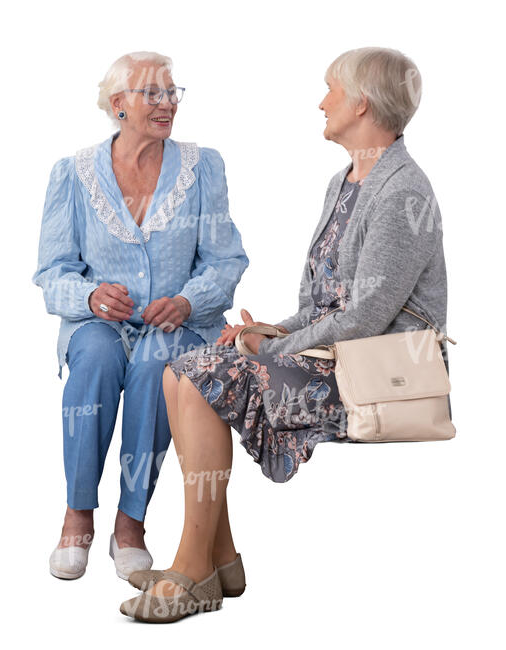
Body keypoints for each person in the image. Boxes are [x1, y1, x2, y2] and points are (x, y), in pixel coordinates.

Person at [120, 46, 453, 623]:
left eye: (332, 90)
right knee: (184, 370)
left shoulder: (402, 192)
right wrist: (266, 331)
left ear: (363, 104)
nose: (322, 101)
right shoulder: (344, 180)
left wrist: (270, 348)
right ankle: (214, 556)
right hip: (339, 354)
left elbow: (365, 320)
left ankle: (196, 564)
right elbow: (321, 305)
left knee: (198, 378)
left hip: (376, 372)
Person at [31, 51, 249, 581]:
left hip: (177, 325)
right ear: (119, 105)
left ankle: (131, 523)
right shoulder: (72, 174)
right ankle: (77, 513)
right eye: (153, 93)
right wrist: (89, 299)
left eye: (172, 92)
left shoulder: (203, 166)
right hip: (98, 325)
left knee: (157, 366)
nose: (167, 103)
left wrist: (188, 301)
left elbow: (225, 260)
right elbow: (52, 270)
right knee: (97, 361)